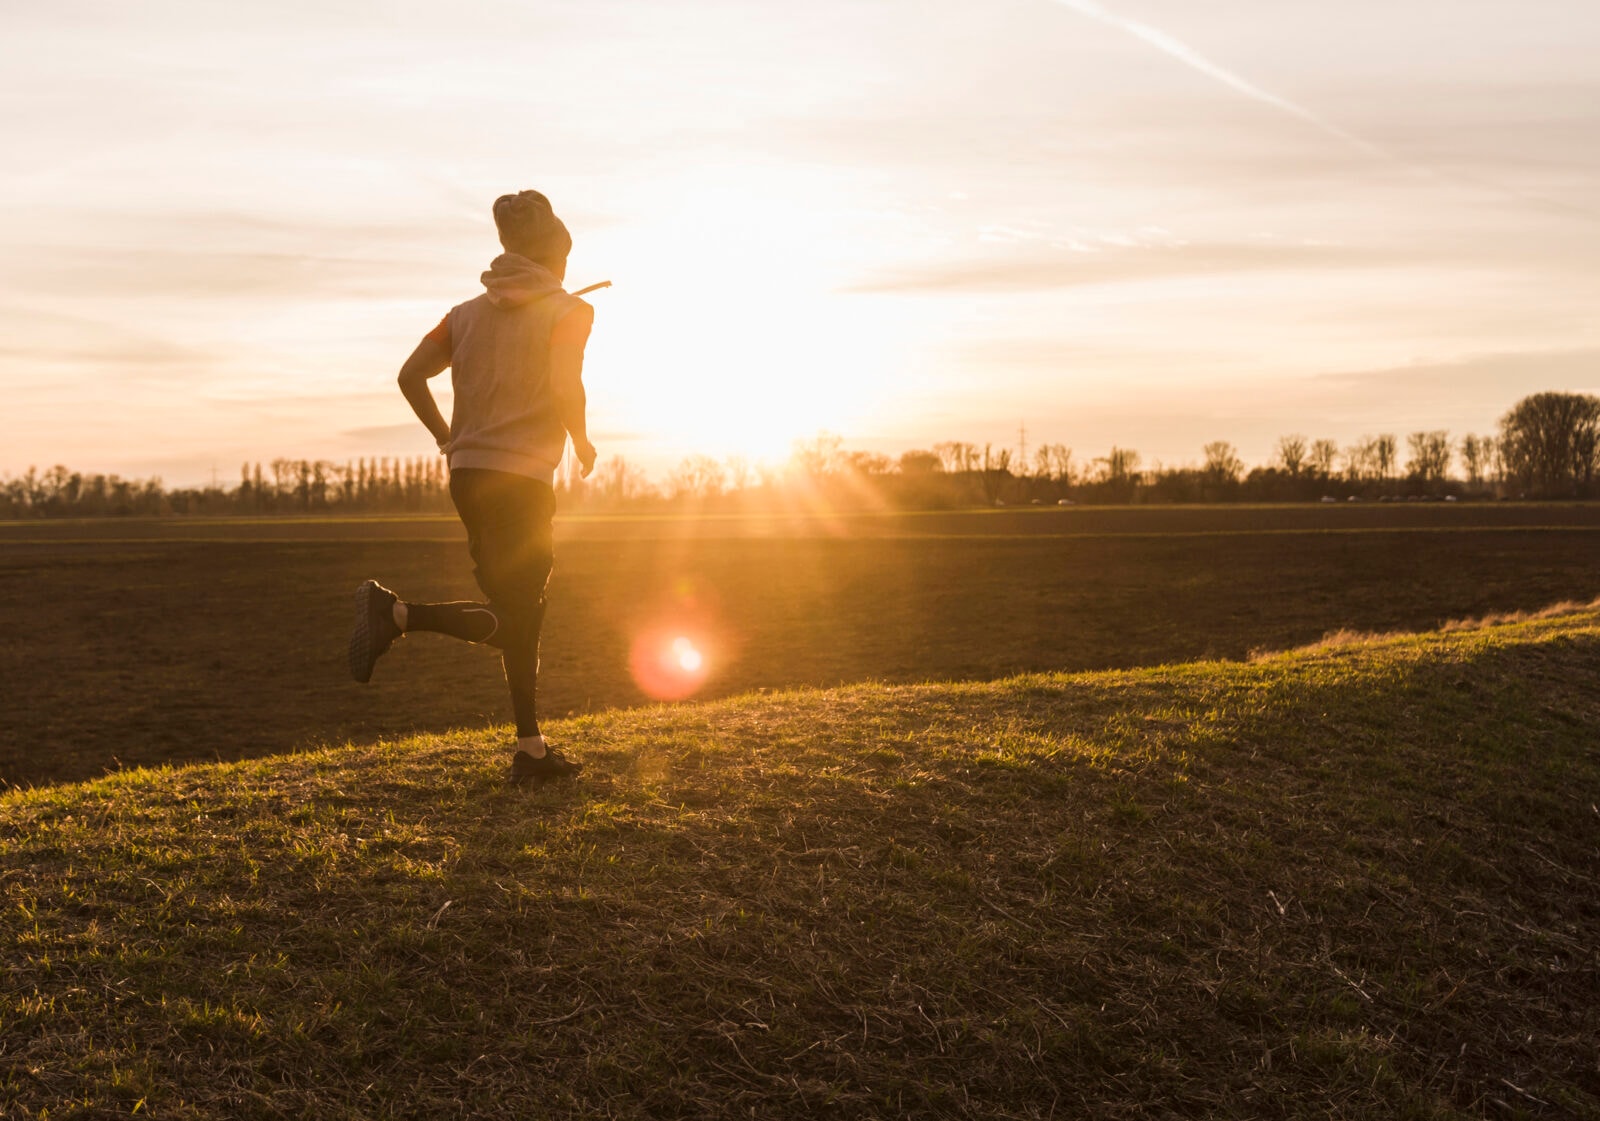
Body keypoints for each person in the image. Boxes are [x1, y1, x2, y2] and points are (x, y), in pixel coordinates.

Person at [347, 189, 596, 785]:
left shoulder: (463, 314)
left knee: (516, 613)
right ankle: (397, 615)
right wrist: (582, 441)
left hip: (468, 476)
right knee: (520, 618)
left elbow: (411, 375)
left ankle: (531, 751)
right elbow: (565, 385)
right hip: (523, 479)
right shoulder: (571, 311)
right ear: (556, 254)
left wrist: (446, 437)